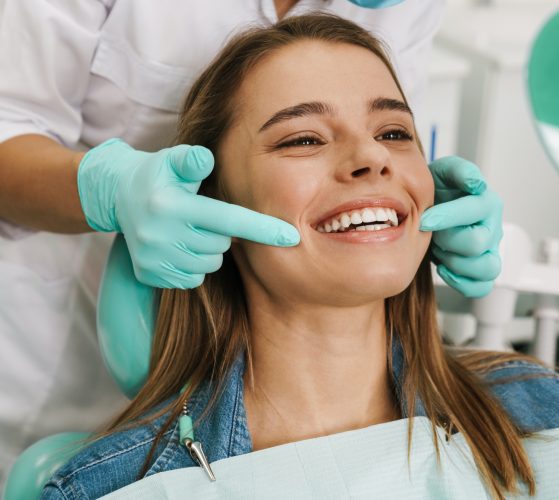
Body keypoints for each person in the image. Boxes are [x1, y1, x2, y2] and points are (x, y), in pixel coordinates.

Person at [41, 14, 558, 500]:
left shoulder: (538, 404)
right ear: (209, 204)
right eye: (304, 138)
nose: (372, 157)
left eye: (394, 133)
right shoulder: (114, 486)